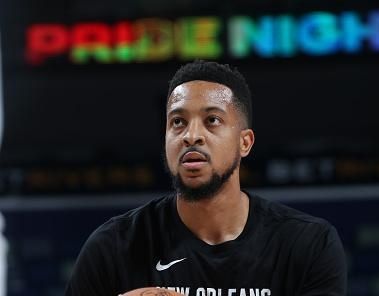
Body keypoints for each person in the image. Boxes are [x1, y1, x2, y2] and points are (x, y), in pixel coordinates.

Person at [65, 60, 347, 296]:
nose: (191, 135)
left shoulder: (307, 244)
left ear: (244, 142)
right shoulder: (112, 248)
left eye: (212, 120)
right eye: (178, 122)